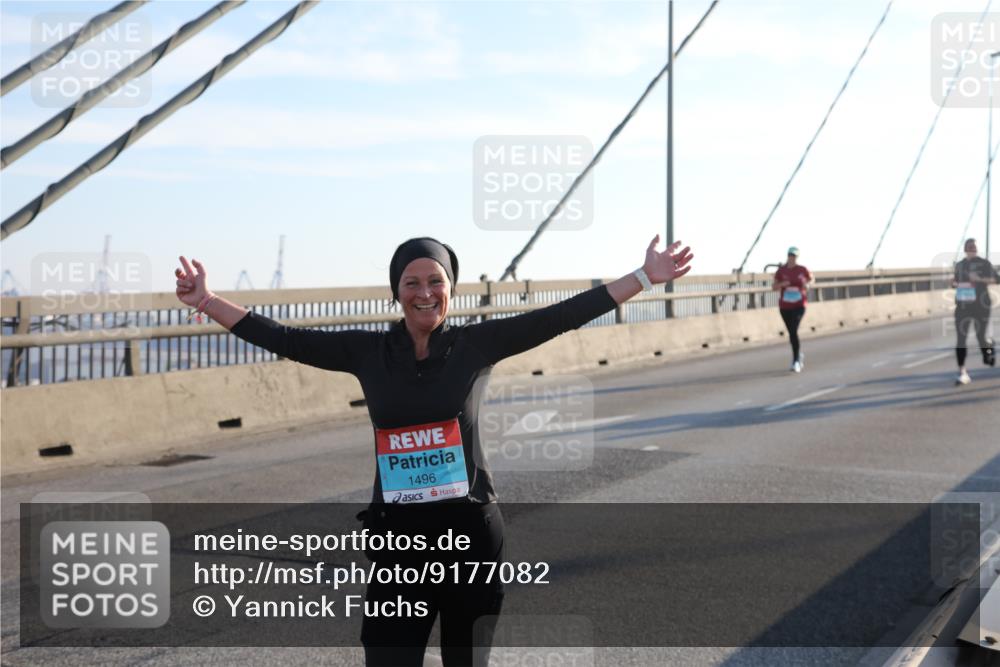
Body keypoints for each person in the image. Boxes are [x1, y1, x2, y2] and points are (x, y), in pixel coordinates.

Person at [173, 235, 693, 666]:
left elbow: (560, 316)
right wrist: (205, 300)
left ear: (451, 290)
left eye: (436, 282)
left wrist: (643, 277)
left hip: (470, 538)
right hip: (399, 541)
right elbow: (286, 338)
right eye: (412, 283)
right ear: (397, 293)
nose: (425, 293)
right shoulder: (368, 352)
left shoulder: (476, 346)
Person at [952, 238, 998, 385]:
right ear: (965, 249)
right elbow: (956, 281)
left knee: (981, 337)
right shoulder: (960, 265)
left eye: (974, 247)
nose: (971, 249)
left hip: (981, 305)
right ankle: (962, 372)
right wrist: (954, 283)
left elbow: (996, 279)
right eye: (969, 247)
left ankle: (988, 349)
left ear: (977, 249)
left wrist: (979, 279)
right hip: (963, 306)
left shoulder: (984, 263)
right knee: (961, 339)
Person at [773, 246, 813, 373]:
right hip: (785, 305)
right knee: (791, 333)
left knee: (794, 330)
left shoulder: (802, 269)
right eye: (790, 255)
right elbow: (773, 287)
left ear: (797, 257)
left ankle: (796, 360)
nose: (792, 257)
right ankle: (798, 354)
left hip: (799, 304)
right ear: (787, 256)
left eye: (794, 255)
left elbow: (811, 279)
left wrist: (807, 285)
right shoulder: (781, 271)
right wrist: (781, 284)